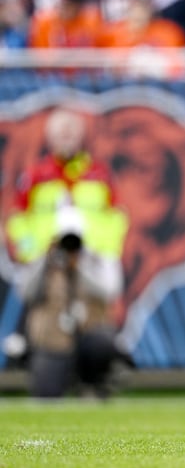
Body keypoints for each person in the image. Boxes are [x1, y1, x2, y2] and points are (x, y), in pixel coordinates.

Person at [3, 108, 130, 397]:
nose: (66, 138)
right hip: (50, 264)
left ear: (80, 135)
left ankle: (99, 372)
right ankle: (29, 348)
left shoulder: (98, 174)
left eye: (70, 131)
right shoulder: (36, 175)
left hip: (91, 262)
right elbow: (18, 221)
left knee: (100, 321)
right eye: (60, 132)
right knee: (45, 323)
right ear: (49, 138)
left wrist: (99, 250)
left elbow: (116, 217)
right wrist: (35, 251)